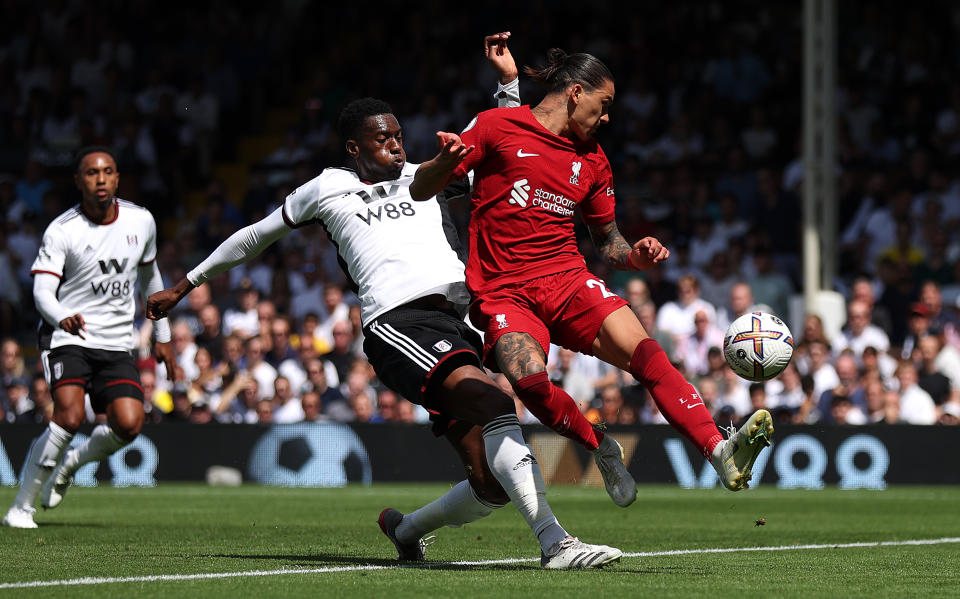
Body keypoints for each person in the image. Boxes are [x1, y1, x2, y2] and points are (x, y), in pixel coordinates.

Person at [145, 33, 621, 570]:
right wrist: (185, 285)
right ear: (355, 148)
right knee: (494, 404)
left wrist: (508, 82)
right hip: (399, 324)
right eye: (383, 139)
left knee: (489, 484)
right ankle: (555, 543)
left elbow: (506, 140)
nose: (397, 145)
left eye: (398, 136)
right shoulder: (325, 188)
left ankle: (406, 529)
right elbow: (254, 236)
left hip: (459, 323)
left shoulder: (428, 176)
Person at [414, 47, 774, 493]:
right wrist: (441, 164)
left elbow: (608, 240)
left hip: (568, 280)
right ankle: (599, 445)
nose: (606, 119)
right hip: (505, 292)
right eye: (603, 107)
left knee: (646, 353)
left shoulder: (593, 160)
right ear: (576, 93)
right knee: (529, 383)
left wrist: (636, 256)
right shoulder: (496, 127)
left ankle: (718, 449)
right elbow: (420, 189)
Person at [3, 146, 175, 529]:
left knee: (129, 424)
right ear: (79, 180)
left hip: (116, 341)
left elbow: (151, 280)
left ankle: (70, 464)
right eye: (92, 173)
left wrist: (162, 334)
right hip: (69, 337)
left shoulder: (141, 221)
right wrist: (63, 316)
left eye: (108, 171)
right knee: (69, 415)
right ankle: (21, 508)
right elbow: (43, 292)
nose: (101, 179)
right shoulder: (63, 229)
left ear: (117, 177)